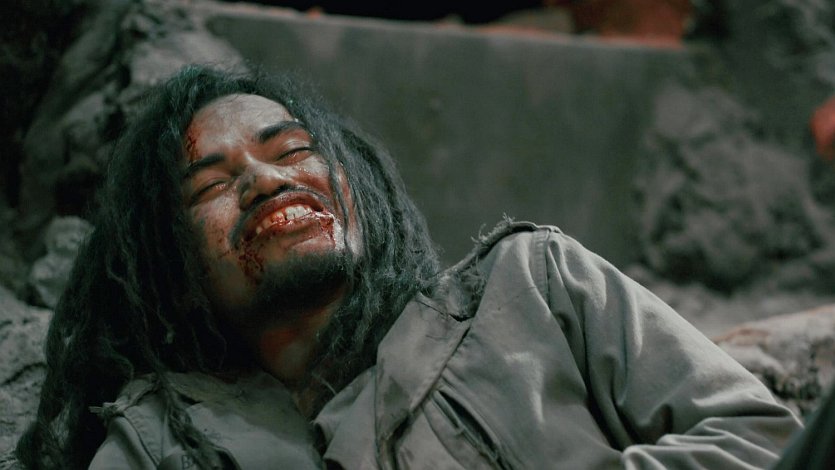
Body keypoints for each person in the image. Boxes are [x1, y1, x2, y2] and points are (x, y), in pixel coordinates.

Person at [15, 65, 801, 469]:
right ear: (173, 268)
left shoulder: (535, 286)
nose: (264, 179)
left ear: (353, 183)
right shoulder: (166, 444)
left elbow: (763, 441)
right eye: (212, 185)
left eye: (292, 150)